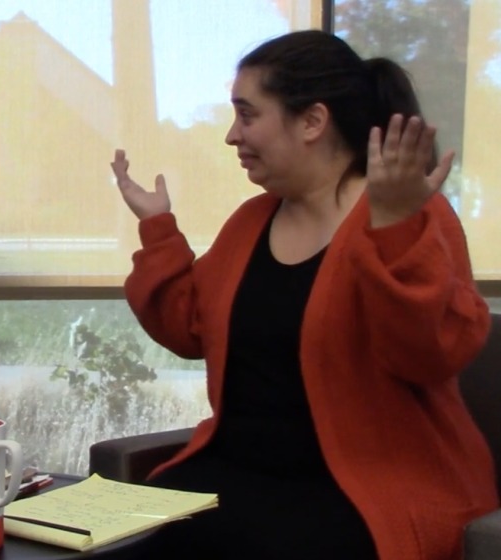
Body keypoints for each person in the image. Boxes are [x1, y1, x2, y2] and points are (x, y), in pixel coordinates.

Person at [112, 30, 497, 560]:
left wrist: (395, 232)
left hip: (364, 492)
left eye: (247, 115)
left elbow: (429, 355)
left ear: (312, 121)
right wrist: (158, 229)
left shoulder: (413, 215)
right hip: (233, 475)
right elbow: (188, 330)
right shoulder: (250, 222)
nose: (231, 136)